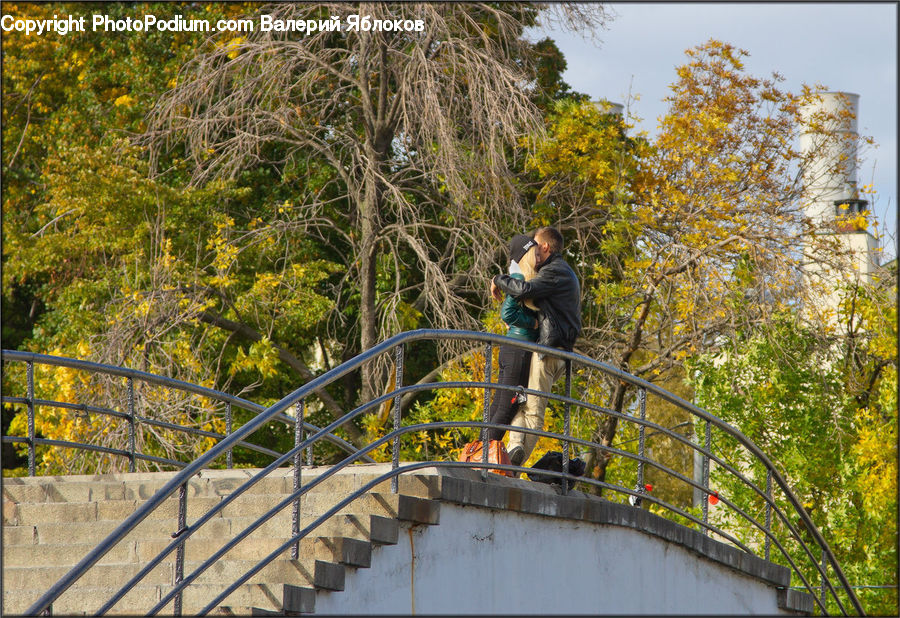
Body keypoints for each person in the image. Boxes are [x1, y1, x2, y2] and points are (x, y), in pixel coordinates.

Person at [490, 226, 581, 467]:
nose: (534, 251)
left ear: (545, 247)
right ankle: (513, 451)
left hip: (551, 351)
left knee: (533, 411)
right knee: (521, 401)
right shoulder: (562, 271)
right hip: (553, 349)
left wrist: (499, 279)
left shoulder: (555, 271)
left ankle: (511, 466)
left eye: (536, 245)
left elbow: (525, 290)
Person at [487, 234, 539, 442]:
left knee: (500, 405)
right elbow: (507, 314)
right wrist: (532, 323)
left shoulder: (522, 277)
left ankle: (479, 454)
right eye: (534, 252)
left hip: (514, 347)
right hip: (519, 348)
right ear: (525, 255)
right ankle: (483, 457)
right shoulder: (519, 279)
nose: (538, 255)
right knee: (507, 407)